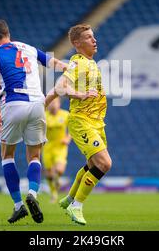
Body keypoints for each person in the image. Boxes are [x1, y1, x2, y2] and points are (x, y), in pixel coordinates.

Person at [0, 19, 67, 224]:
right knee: (34, 155)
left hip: (13, 105)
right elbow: (50, 62)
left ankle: (18, 205)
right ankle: (33, 193)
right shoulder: (27, 47)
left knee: (7, 155)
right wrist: (65, 67)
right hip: (37, 105)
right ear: (8, 33)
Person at [45, 24, 112, 225]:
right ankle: (77, 205)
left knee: (92, 165)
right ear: (76, 44)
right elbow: (60, 86)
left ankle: (70, 198)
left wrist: (44, 103)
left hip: (97, 123)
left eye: (94, 36)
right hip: (82, 121)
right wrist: (79, 94)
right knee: (104, 164)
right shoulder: (77, 62)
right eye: (89, 37)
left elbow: (54, 93)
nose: (94, 40)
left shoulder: (91, 63)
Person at [42, 97, 71, 203]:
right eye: (51, 102)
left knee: (59, 169)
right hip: (47, 147)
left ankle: (57, 179)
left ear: (59, 103)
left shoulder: (65, 115)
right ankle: (53, 193)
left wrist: (68, 138)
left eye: (55, 102)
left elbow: (72, 128)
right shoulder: (43, 115)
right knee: (49, 175)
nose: (53, 105)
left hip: (60, 146)